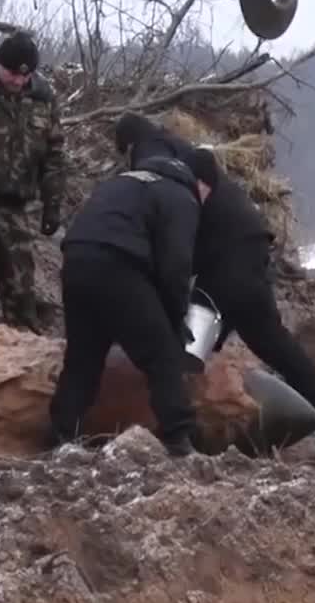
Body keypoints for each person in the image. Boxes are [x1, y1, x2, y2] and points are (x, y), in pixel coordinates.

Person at [113, 112, 315, 456]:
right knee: (269, 341)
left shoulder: (155, 160)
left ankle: (178, 434)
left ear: (130, 146)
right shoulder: (174, 150)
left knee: (191, 342)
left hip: (228, 256)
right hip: (246, 245)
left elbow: (172, 240)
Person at [46, 147, 218, 457]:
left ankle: (61, 436)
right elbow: (175, 267)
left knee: (83, 357)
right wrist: (175, 320)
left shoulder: (125, 181)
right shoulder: (182, 197)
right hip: (119, 267)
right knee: (163, 356)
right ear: (202, 185)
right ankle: (180, 439)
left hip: (76, 261)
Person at [0, 31, 69, 333]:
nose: (19, 82)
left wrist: (53, 205)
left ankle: (24, 350)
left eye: (26, 76)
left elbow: (54, 154)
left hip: (14, 201)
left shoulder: (42, 97)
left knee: (21, 287)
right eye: (12, 74)